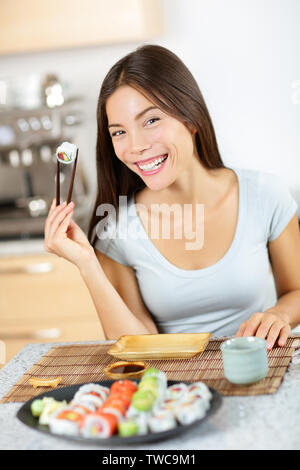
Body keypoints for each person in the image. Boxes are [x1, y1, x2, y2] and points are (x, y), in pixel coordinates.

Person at [44, 44, 300, 349]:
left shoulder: (264, 195)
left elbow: (295, 291)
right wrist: (87, 264)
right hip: (179, 389)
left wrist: (279, 314)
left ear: (191, 117)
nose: (136, 146)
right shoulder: (115, 229)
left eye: (151, 121)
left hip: (261, 371)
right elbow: (139, 345)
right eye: (119, 132)